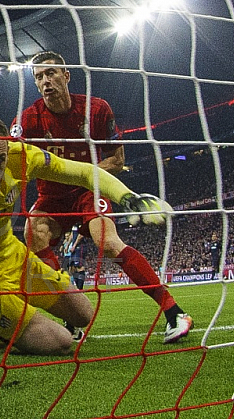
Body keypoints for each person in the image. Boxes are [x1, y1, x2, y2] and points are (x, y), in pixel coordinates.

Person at [0, 114, 173, 357]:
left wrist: (127, 197)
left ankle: (18, 315)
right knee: (61, 342)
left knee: (83, 314)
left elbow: (82, 172)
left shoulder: (21, 156)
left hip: (14, 260)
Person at [10, 51, 192, 344]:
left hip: (88, 190)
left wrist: (79, 174)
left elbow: (117, 161)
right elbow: (14, 165)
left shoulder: (96, 110)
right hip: (51, 196)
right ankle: (72, 317)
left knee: (107, 243)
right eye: (39, 77)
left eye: (51, 73)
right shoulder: (27, 121)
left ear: (66, 75)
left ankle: (174, 312)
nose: (46, 81)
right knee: (34, 233)